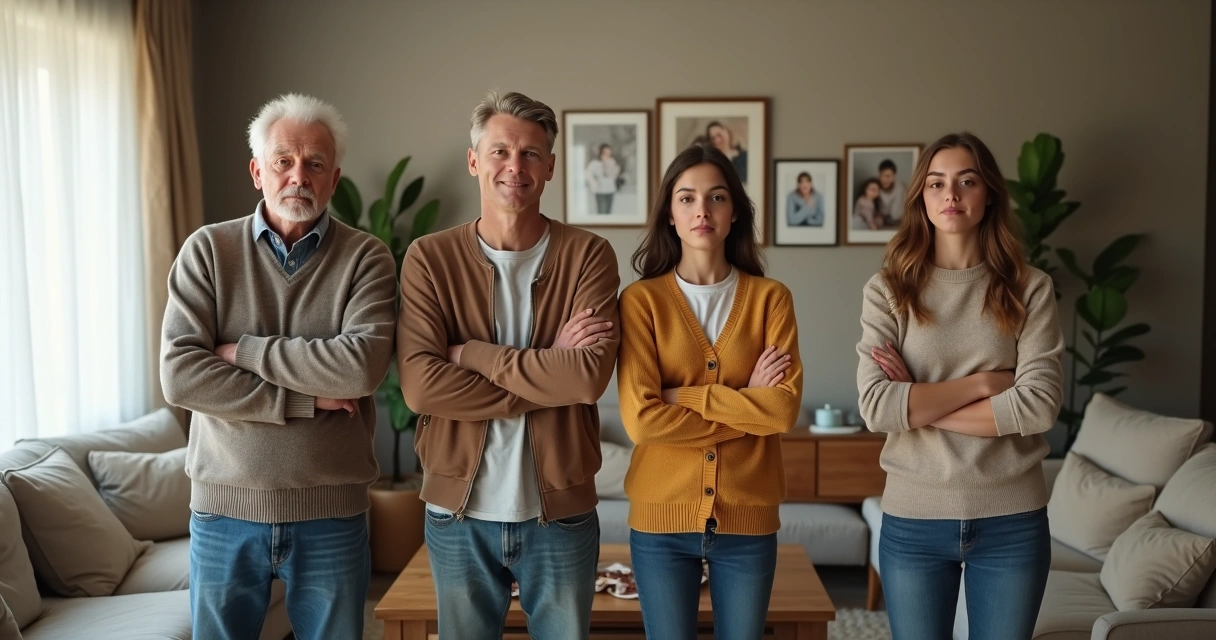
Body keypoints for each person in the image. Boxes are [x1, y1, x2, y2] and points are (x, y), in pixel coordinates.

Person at [161, 93, 397, 640]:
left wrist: (240, 351)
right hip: (224, 509)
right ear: (256, 170)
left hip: (332, 511)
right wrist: (304, 399)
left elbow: (359, 369)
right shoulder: (208, 251)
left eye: (315, 164)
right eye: (283, 161)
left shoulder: (367, 258)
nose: (298, 176)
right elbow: (181, 374)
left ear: (334, 178)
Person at [397, 90, 620, 640]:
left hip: (561, 514)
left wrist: (470, 354)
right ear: (474, 160)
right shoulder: (430, 257)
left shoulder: (588, 254)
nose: (514, 167)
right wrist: (549, 373)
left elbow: (588, 378)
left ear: (549, 167)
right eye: (499, 151)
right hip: (458, 512)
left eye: (529, 154)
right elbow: (423, 389)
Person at [856, 132, 1063, 640]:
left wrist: (921, 403)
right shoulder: (888, 289)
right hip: (913, 518)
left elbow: (1037, 407)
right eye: (937, 183)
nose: (951, 195)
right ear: (921, 199)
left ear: (988, 193)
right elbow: (877, 407)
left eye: (966, 181)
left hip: (1012, 520)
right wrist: (990, 383)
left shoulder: (1029, 286)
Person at [618, 143, 803, 639]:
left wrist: (684, 397)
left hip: (749, 522)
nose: (702, 209)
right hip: (659, 524)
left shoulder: (771, 300)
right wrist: (747, 399)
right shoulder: (641, 303)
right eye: (686, 198)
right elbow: (640, 422)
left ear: (735, 212)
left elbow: (782, 411)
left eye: (717, 197)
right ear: (670, 215)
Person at [585, 143, 622, 214]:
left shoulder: (612, 161)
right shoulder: (595, 162)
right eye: (605, 151)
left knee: (608, 212)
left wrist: (610, 164)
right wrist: (594, 183)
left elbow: (615, 174)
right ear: (601, 152)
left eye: (609, 151)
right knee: (602, 212)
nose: (607, 153)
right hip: (600, 190)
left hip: (610, 190)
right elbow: (588, 173)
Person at [877, 158, 907, 225]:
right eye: (883, 176)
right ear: (879, 175)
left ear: (894, 176)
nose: (886, 179)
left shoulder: (900, 188)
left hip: (897, 223)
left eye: (889, 176)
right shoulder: (874, 186)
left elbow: (896, 214)